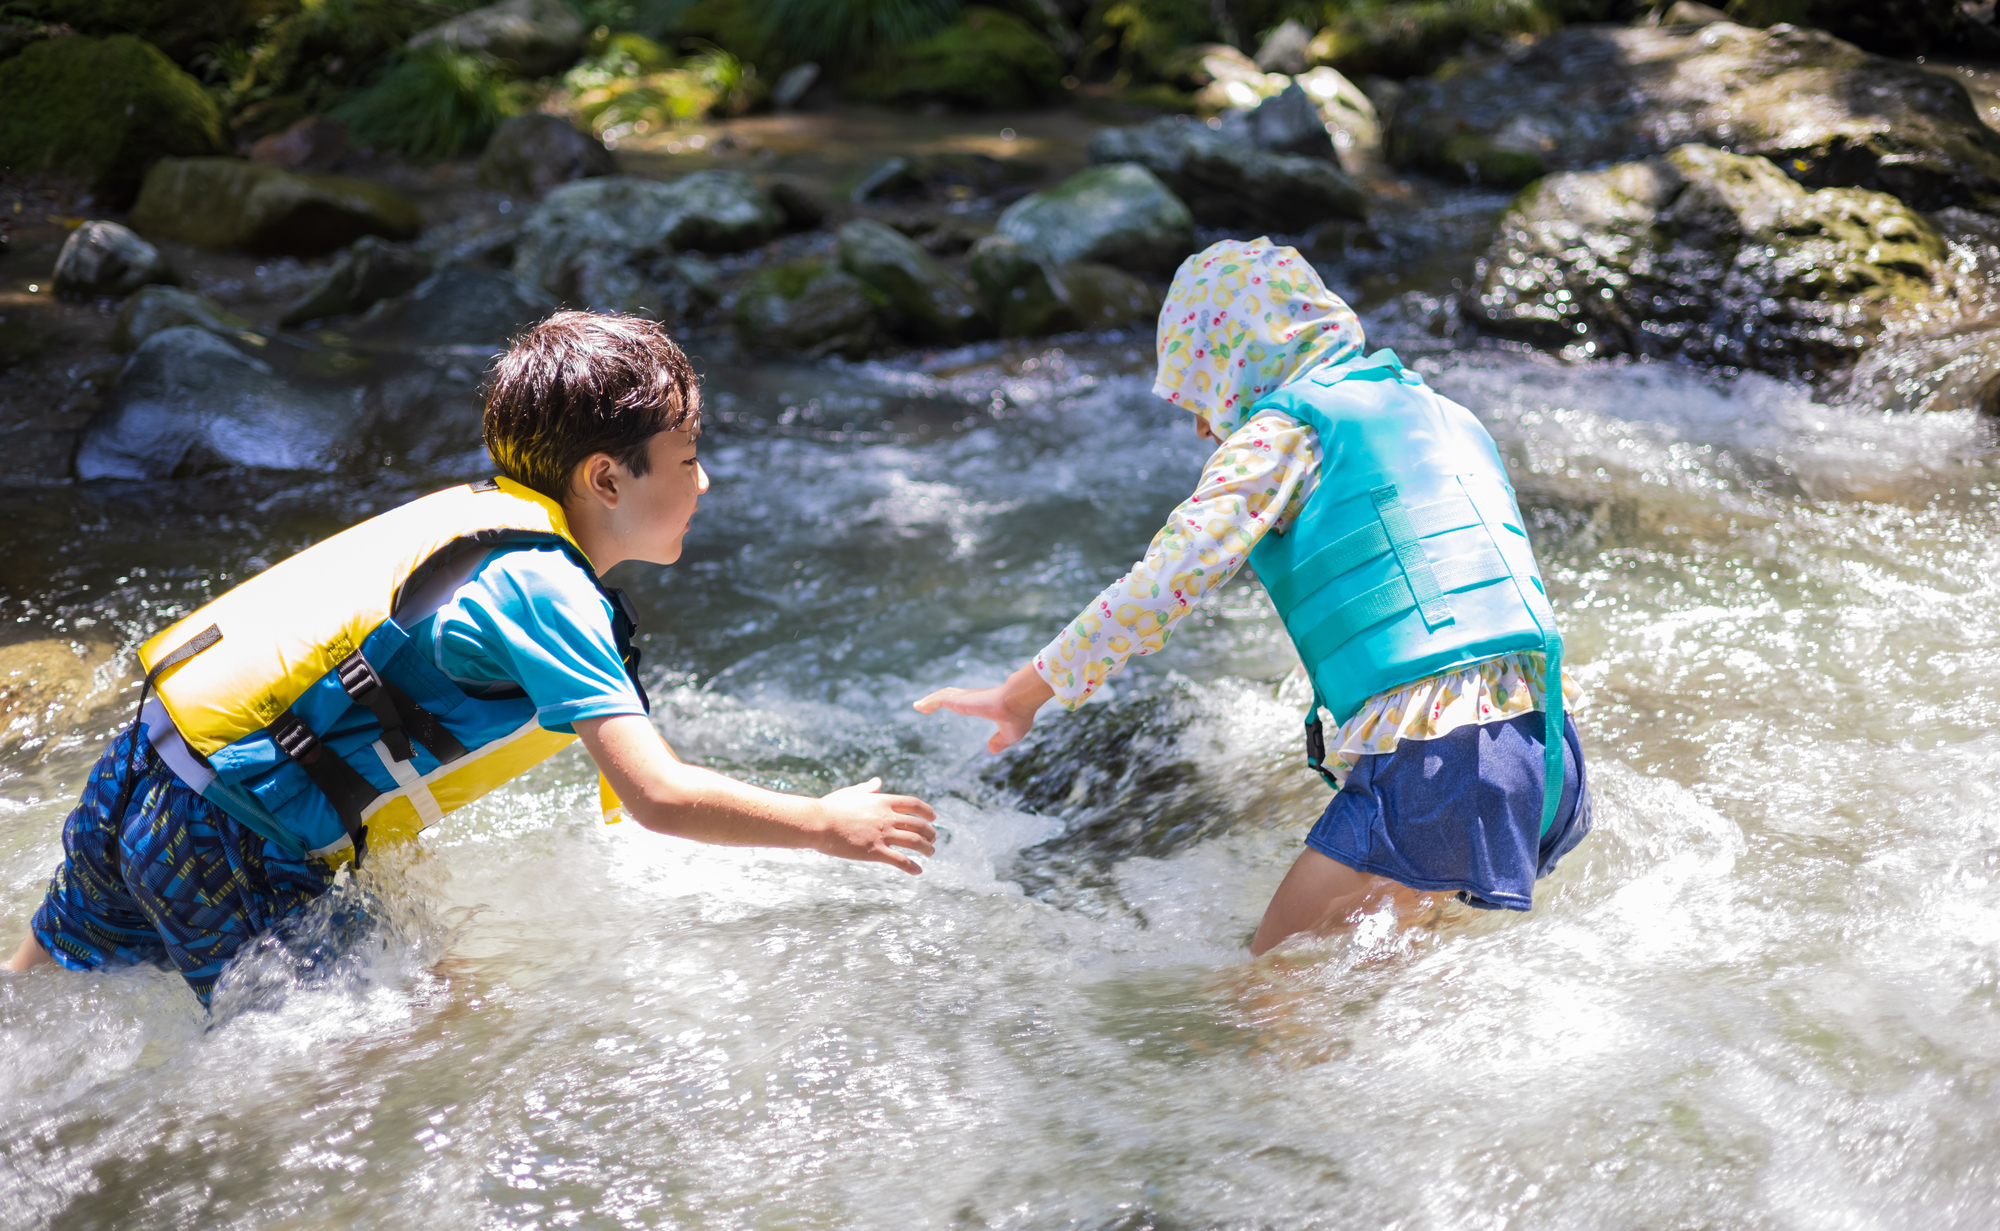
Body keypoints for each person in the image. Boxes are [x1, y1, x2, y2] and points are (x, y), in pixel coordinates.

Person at [5, 312, 936, 1004]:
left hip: (148, 763)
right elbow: (657, 795)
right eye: (687, 456)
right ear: (607, 477)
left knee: (33, 1002)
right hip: (231, 837)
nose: (705, 479)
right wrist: (823, 821)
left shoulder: (479, 521)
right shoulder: (550, 589)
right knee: (403, 1055)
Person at [916, 239, 1589, 953]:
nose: (1205, 425)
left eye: (1199, 390)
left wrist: (1022, 693)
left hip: (1441, 756)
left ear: (1237, 360)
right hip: (1543, 742)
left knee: (1267, 991)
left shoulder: (1286, 431)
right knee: (1392, 979)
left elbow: (1165, 579)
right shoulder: (1443, 412)